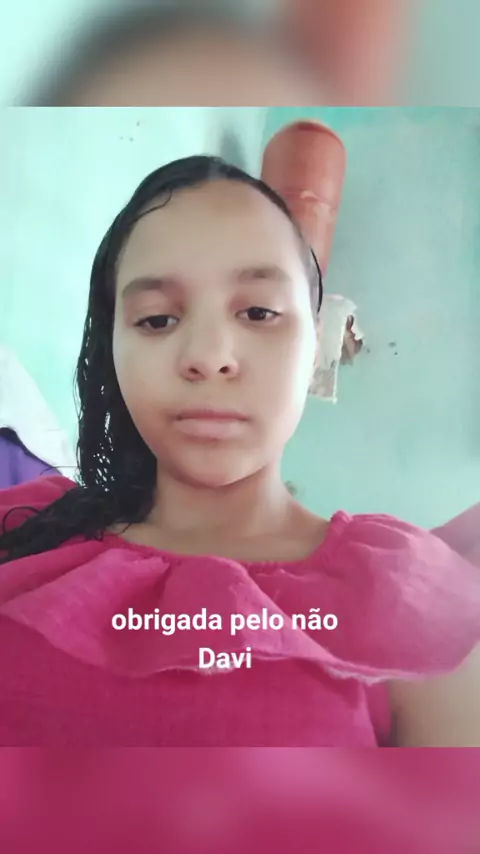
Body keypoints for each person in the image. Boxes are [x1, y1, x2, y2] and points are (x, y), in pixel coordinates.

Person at [0, 155, 479, 747]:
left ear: (315, 350)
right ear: (112, 348)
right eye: (156, 319)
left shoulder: (410, 595)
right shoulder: (25, 525)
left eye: (258, 312)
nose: (208, 356)